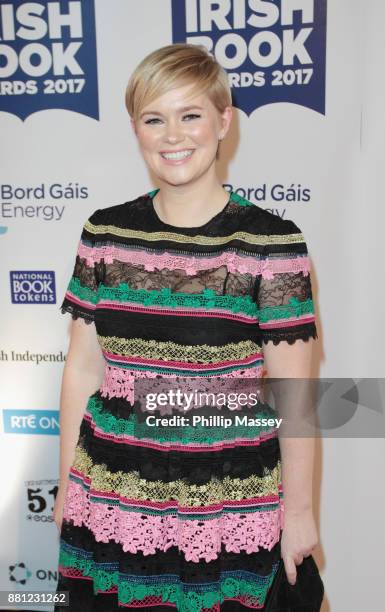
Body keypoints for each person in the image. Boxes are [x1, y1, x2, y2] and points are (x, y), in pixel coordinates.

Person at [54, 42, 320, 611]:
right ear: (136, 129)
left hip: (227, 507)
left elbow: (296, 397)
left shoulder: (271, 243)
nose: (173, 135)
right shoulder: (104, 233)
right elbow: (81, 369)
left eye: (190, 115)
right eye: (155, 119)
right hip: (111, 499)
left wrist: (297, 513)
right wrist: (67, 489)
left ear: (224, 121)